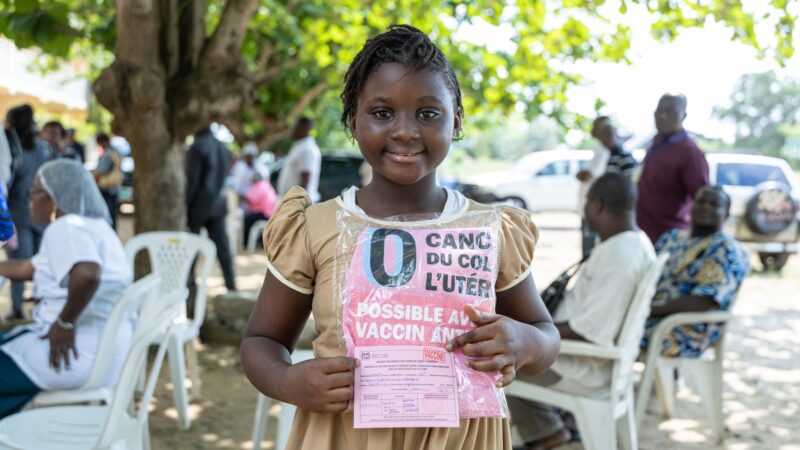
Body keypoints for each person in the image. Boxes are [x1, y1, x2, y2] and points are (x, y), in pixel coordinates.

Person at [241, 25, 561, 450]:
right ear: (353, 121)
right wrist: (288, 380)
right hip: (344, 436)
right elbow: (261, 341)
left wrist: (526, 342)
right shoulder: (316, 227)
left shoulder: (489, 229)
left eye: (428, 113)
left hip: (462, 440)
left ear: (456, 122)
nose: (405, 131)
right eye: (382, 112)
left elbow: (545, 332)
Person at [508, 173, 655, 450]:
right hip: (583, 358)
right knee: (510, 337)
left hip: (582, 367)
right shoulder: (630, 242)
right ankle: (545, 429)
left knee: (497, 357)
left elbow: (589, 331)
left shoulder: (620, 257)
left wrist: (534, 332)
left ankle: (544, 433)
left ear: (596, 205)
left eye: (585, 201)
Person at [0, 159, 132, 418]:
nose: (29, 198)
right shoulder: (95, 227)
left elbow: (88, 273)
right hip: (107, 354)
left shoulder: (66, 227)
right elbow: (30, 268)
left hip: (71, 356)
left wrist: (65, 323)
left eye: (34, 191)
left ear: (54, 197)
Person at [641, 186, 749, 357]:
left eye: (714, 205)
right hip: (650, 317)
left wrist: (648, 310)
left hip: (685, 331)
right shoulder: (673, 237)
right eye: (701, 201)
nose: (705, 207)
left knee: (611, 332)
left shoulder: (725, 249)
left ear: (726, 214)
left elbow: (703, 301)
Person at [637, 94, 709, 243]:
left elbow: (704, 200)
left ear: (684, 115)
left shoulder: (690, 152)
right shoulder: (656, 145)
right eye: (659, 111)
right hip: (644, 236)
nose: (663, 116)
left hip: (670, 239)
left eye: (671, 111)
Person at [5, 104, 52, 319]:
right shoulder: (43, 147)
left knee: (19, 264)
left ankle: (17, 307)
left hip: (18, 211)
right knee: (41, 262)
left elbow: (6, 181)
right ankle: (41, 306)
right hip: (41, 212)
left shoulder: (13, 148)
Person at [576, 116, 638, 257]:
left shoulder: (624, 157)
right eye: (603, 135)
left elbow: (627, 188)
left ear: (616, 135)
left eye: (608, 135)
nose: (605, 139)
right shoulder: (610, 155)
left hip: (611, 215)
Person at [185, 126, 237, 292]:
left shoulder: (198, 146)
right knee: (223, 247)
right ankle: (231, 285)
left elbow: (193, 180)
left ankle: (190, 283)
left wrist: (187, 203)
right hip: (218, 203)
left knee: (192, 246)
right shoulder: (223, 146)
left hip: (199, 204)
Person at [276, 117, 322, 202]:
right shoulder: (300, 146)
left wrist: (298, 204)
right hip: (290, 201)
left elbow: (305, 178)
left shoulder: (307, 149)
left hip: (296, 203)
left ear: (304, 128)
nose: (292, 130)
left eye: (295, 127)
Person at [93, 133, 124, 230]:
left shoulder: (107, 154)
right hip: (114, 188)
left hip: (106, 189)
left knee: (108, 215)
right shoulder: (116, 151)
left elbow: (101, 171)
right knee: (113, 215)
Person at [241, 171, 277, 247]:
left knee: (246, 220)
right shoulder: (267, 185)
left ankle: (246, 243)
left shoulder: (260, 186)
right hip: (270, 214)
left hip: (264, 213)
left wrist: (240, 197)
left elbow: (251, 199)